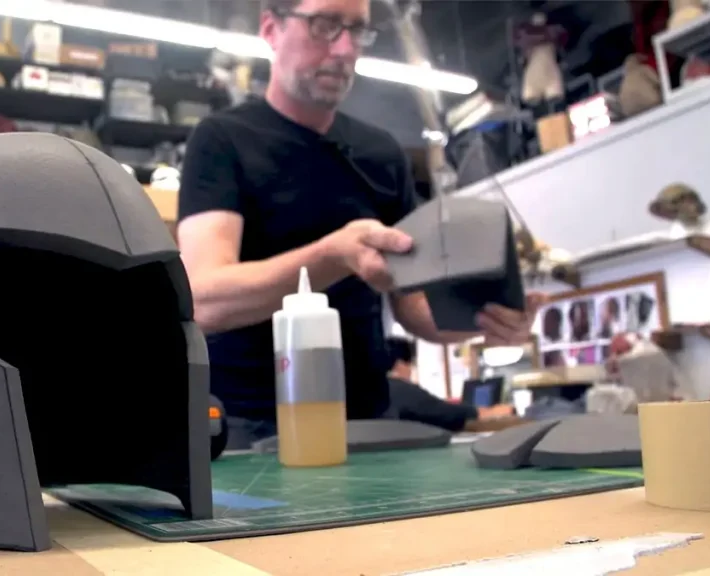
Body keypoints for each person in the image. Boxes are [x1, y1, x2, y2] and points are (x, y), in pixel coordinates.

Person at [177, 0, 545, 449]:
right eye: (326, 25)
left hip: (368, 421)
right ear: (271, 29)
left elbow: (414, 309)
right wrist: (332, 256)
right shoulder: (221, 141)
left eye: (357, 30)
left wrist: (487, 320)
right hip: (248, 429)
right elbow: (204, 299)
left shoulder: (382, 154)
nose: (346, 48)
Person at [384, 337, 515, 432]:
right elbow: (449, 414)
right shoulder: (396, 388)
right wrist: (493, 411)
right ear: (400, 364)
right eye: (411, 365)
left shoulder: (374, 392)